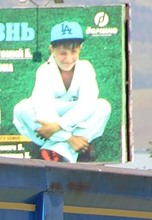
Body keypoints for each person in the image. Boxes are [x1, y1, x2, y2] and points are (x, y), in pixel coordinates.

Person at [12, 21, 111, 163]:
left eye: (74, 52)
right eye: (63, 53)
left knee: (103, 107)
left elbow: (87, 106)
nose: (68, 59)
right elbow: (44, 110)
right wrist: (69, 138)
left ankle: (54, 149)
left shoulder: (86, 68)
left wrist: (58, 127)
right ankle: (75, 146)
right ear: (52, 49)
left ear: (80, 49)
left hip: (70, 115)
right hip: (52, 115)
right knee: (21, 109)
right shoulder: (44, 70)